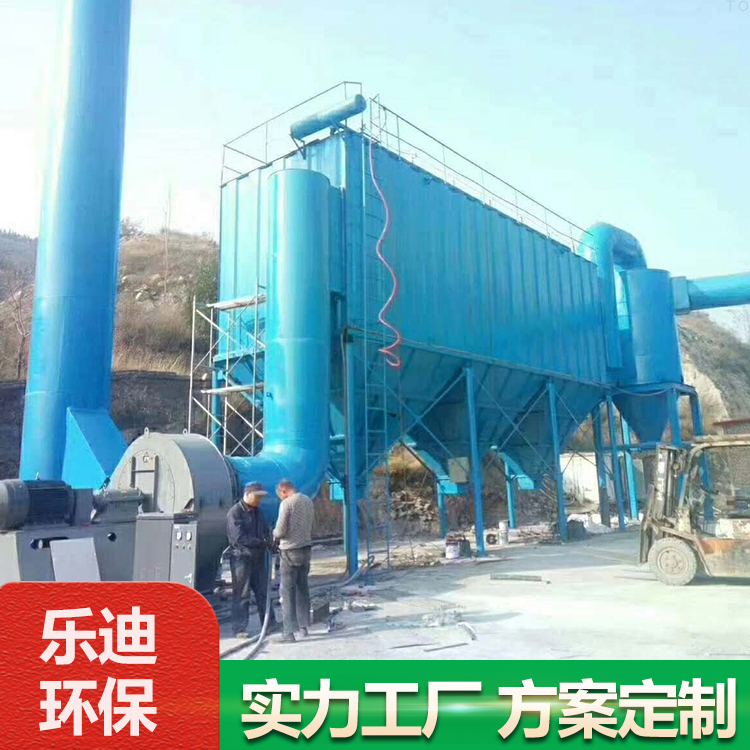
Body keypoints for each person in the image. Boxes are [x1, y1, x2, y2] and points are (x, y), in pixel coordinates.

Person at [226, 482, 278, 637]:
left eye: (261, 497)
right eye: (257, 497)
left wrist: (270, 542)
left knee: (263, 591)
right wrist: (260, 542)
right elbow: (238, 538)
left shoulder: (257, 512)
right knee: (242, 593)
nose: (259, 500)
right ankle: (239, 628)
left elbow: (264, 530)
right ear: (247, 494)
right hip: (241, 558)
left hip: (258, 558)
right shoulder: (235, 513)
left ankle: (270, 623)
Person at [273, 479, 315, 643]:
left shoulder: (287, 504)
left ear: (283, 491)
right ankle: (304, 627)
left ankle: (289, 632)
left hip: (289, 552)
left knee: (287, 592)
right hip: (306, 550)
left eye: (280, 496)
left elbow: (280, 531)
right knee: (302, 588)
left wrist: (273, 533)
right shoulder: (308, 500)